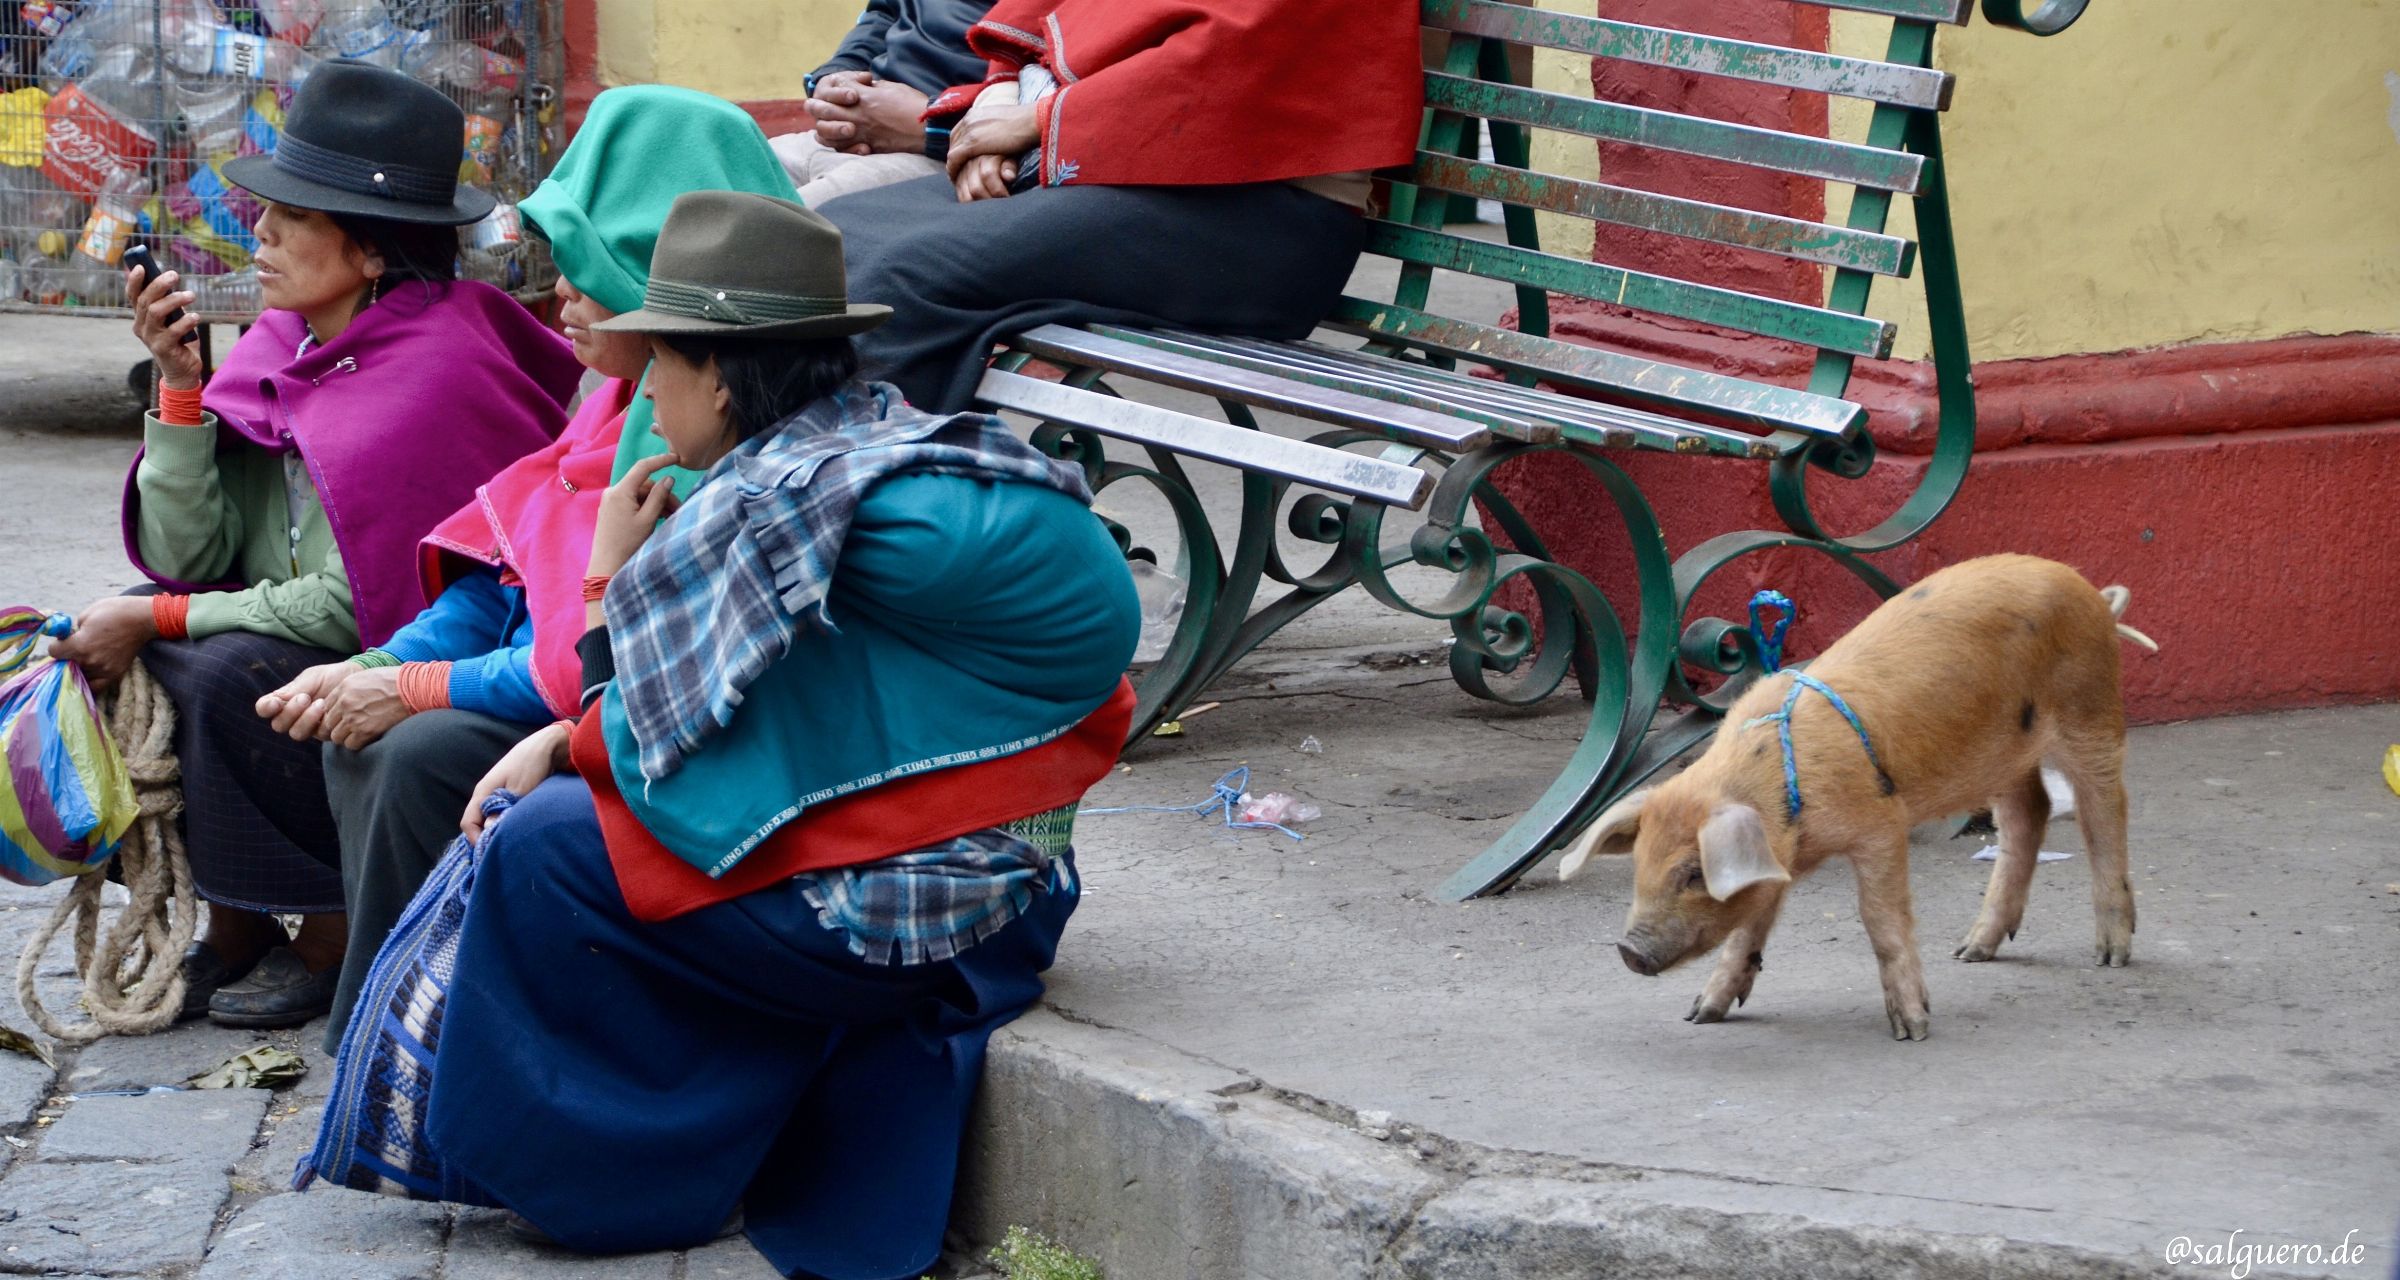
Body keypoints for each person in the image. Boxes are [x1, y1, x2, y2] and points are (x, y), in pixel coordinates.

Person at [304, 192, 1140, 1280]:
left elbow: (635, 724)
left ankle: (615, 1175)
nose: (646, 390)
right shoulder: (876, 436)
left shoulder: (772, 498)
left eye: (659, 362)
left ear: (724, 375)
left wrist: (603, 582)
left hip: (928, 908)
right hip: (1015, 871)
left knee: (541, 847)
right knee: (567, 808)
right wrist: (573, 740)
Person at [244, 84, 800, 1052]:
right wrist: (379, 671)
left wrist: (407, 684)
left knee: (414, 754)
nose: (561, 298)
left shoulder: (697, 434)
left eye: (585, 266)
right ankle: (395, 1022)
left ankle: (410, 1041)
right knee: (353, 727)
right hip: (573, 696)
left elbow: (592, 658)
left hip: (648, 738)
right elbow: (499, 584)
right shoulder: (613, 403)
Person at [45, 64, 582, 1028]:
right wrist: (178, 393)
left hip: (405, 649)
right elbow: (190, 553)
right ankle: (239, 922)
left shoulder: (444, 366)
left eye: (292, 219)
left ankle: (332, 927)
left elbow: (349, 603)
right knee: (138, 650)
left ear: (371, 250)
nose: (260, 237)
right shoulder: (277, 348)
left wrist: (162, 614)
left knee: (213, 665)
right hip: (293, 630)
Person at [819, 0, 1425, 412]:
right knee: (828, 243)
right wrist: (995, 102)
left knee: (908, 275)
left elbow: (1240, 61)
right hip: (1103, 177)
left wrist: (1036, 122)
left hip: (1263, 215)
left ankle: (871, 535)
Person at [769, 0, 994, 207]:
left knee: (773, 226)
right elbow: (884, 13)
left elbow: (1022, 111)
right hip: (843, 137)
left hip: (947, 157)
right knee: (737, 169)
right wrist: (837, 78)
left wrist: (932, 125)